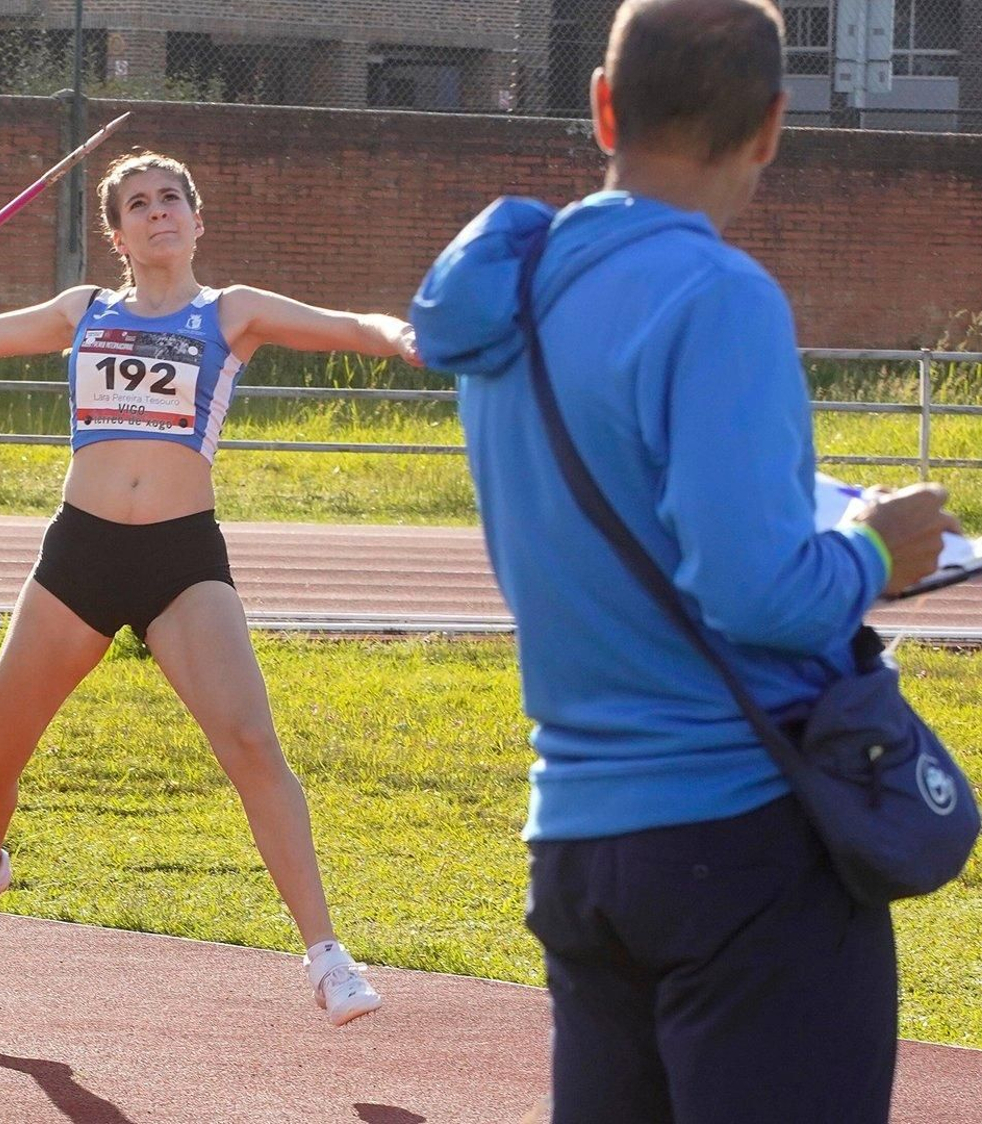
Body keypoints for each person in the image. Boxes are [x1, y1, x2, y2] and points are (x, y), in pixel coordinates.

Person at [410, 1, 958, 1119]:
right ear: (771, 124)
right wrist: (873, 551)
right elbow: (757, 590)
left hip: (577, 834)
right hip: (740, 832)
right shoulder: (718, 294)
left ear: (602, 105)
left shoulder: (504, 296)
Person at [0, 151, 418, 1026]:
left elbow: (349, 322)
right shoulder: (84, 311)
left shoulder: (232, 312)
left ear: (197, 221)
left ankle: (327, 956)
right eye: (138, 203)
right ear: (118, 233)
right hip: (81, 557)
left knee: (251, 742)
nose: (158, 211)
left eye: (172, 198)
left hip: (181, 560)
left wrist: (400, 334)